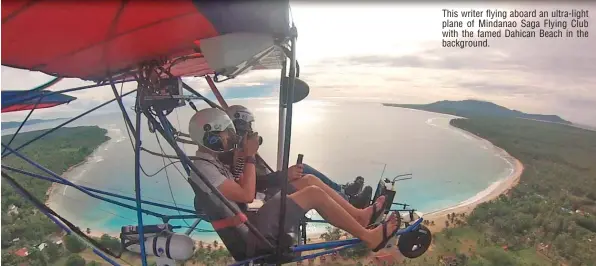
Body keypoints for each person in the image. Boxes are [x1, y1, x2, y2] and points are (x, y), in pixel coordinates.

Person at [188, 107, 399, 251]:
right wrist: (250, 156)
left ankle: (360, 216)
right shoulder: (203, 169)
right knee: (313, 194)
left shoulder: (211, 163)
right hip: (250, 233)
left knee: (307, 180)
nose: (229, 138)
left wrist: (240, 159)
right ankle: (369, 237)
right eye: (225, 134)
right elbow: (247, 195)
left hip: (250, 221)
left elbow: (240, 188)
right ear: (211, 136)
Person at [222, 105, 374, 208]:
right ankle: (348, 199)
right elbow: (252, 186)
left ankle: (344, 193)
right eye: (247, 129)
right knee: (306, 175)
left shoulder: (240, 152)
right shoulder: (231, 157)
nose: (251, 133)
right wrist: (284, 175)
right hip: (266, 197)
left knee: (303, 171)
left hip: (269, 190)